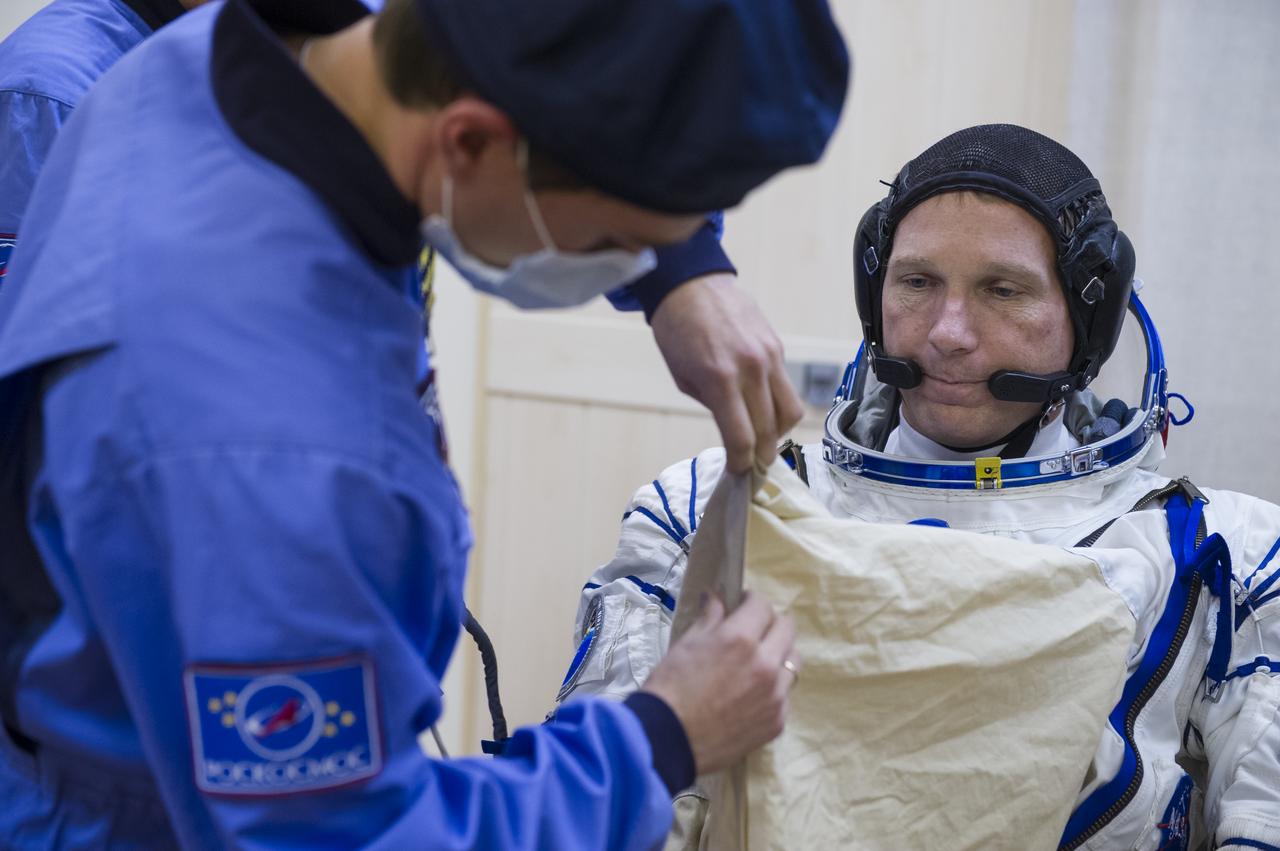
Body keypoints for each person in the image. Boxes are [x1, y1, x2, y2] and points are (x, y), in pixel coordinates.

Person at [0, 0, 850, 848]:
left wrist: (681, 271)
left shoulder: (220, 63)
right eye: (614, 242)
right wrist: (661, 736)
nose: (621, 268)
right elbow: (342, 837)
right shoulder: (272, 452)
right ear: (469, 140)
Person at [558, 124, 1280, 850]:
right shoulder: (714, 511)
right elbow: (605, 811)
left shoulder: (1222, 558)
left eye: (1003, 290)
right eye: (917, 282)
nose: (948, 332)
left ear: (1088, 317)